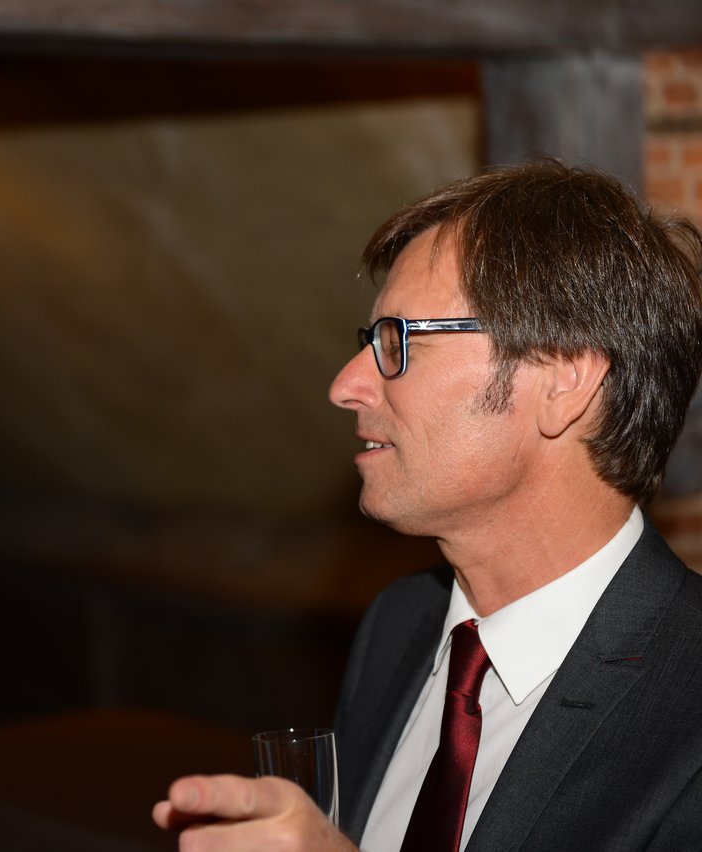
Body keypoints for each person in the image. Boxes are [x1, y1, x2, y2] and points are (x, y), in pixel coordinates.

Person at [153, 159, 702, 850]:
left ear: (565, 377)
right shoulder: (399, 626)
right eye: (369, 342)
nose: (346, 385)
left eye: (399, 343)